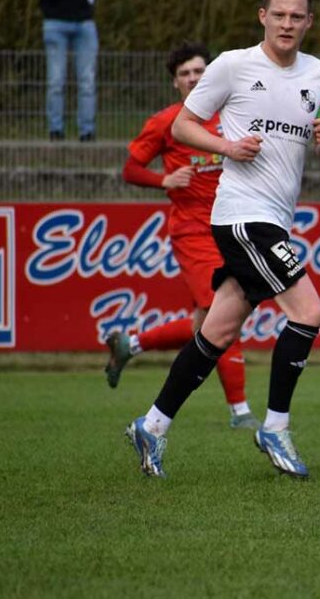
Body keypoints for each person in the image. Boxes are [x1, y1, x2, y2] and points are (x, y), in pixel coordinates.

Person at [124, 0, 320, 479]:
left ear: (309, 21)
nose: (287, 24)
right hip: (243, 216)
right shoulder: (233, 65)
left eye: (297, 16)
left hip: (275, 220)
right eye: (279, 14)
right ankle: (276, 427)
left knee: (216, 329)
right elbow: (182, 125)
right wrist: (226, 147)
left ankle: (151, 425)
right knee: (310, 311)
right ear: (263, 16)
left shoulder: (319, 74)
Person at [102, 41, 257, 430]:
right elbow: (131, 169)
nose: (193, 78)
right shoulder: (168, 122)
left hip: (232, 228)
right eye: (185, 73)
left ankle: (130, 344)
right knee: (226, 315)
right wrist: (164, 179)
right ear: (176, 83)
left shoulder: (230, 117)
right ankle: (241, 414)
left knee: (204, 322)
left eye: (199, 71)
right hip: (192, 233)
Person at [35, 0, 102, 142]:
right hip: (55, 22)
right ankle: (55, 130)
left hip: (84, 22)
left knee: (87, 80)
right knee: (56, 80)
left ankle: (87, 132)